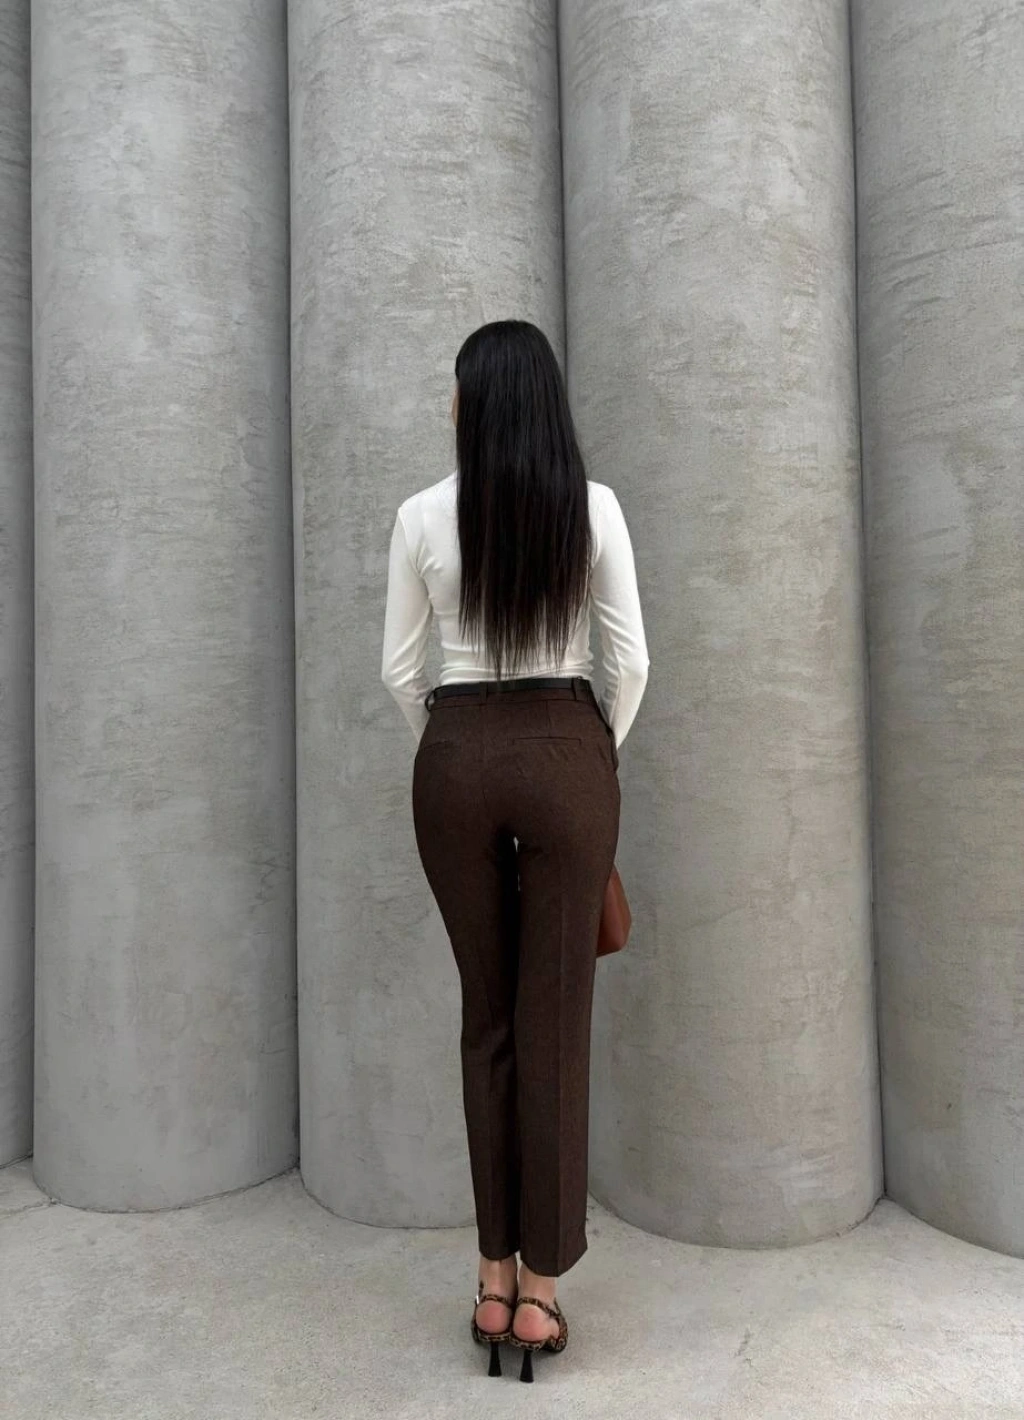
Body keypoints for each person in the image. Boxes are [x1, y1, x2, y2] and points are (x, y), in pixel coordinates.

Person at [381, 319, 650, 1380]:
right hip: (565, 747)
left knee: (486, 1017)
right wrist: (587, 751)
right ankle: (540, 1295)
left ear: (476, 402)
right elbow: (630, 661)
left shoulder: (420, 515)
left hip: (453, 754)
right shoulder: (594, 507)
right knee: (555, 1023)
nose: (448, 405)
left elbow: (399, 671)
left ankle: (490, 1278)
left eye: (454, 389)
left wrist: (455, 744)